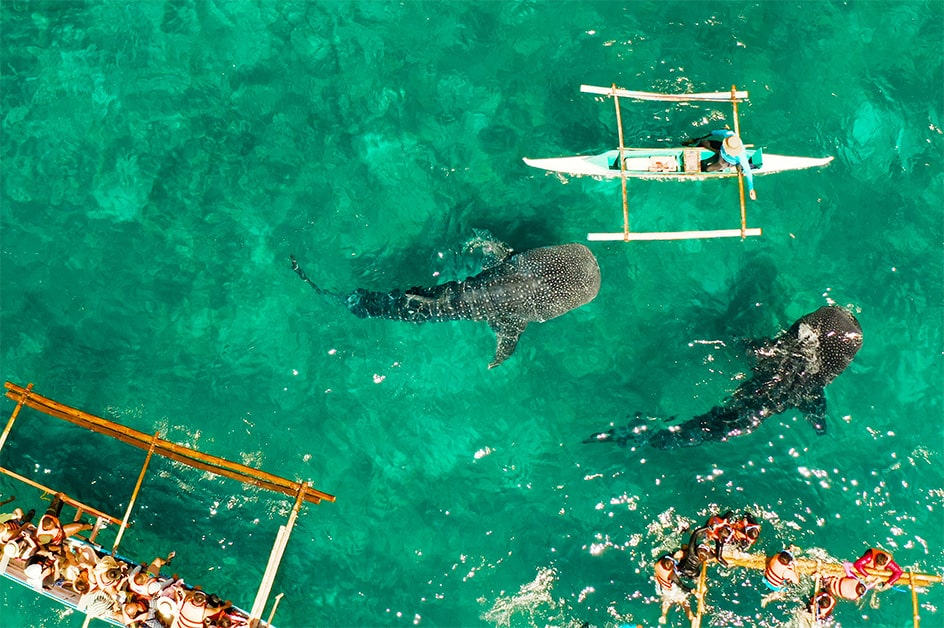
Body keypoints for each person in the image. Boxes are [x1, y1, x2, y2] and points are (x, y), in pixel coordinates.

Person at [683, 129, 757, 200]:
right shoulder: (729, 135)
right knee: (703, 142)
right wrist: (700, 138)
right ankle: (693, 147)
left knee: (707, 169)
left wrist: (751, 189)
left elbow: (748, 171)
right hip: (721, 150)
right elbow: (714, 132)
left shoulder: (742, 156)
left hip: (726, 161)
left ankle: (730, 167)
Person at [653, 554, 694, 624]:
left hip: (660, 585)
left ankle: (663, 615)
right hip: (671, 589)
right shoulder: (671, 575)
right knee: (684, 601)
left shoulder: (658, 564)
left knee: (666, 601)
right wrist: (692, 591)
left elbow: (666, 556)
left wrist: (674, 555)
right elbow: (681, 586)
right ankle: (691, 617)